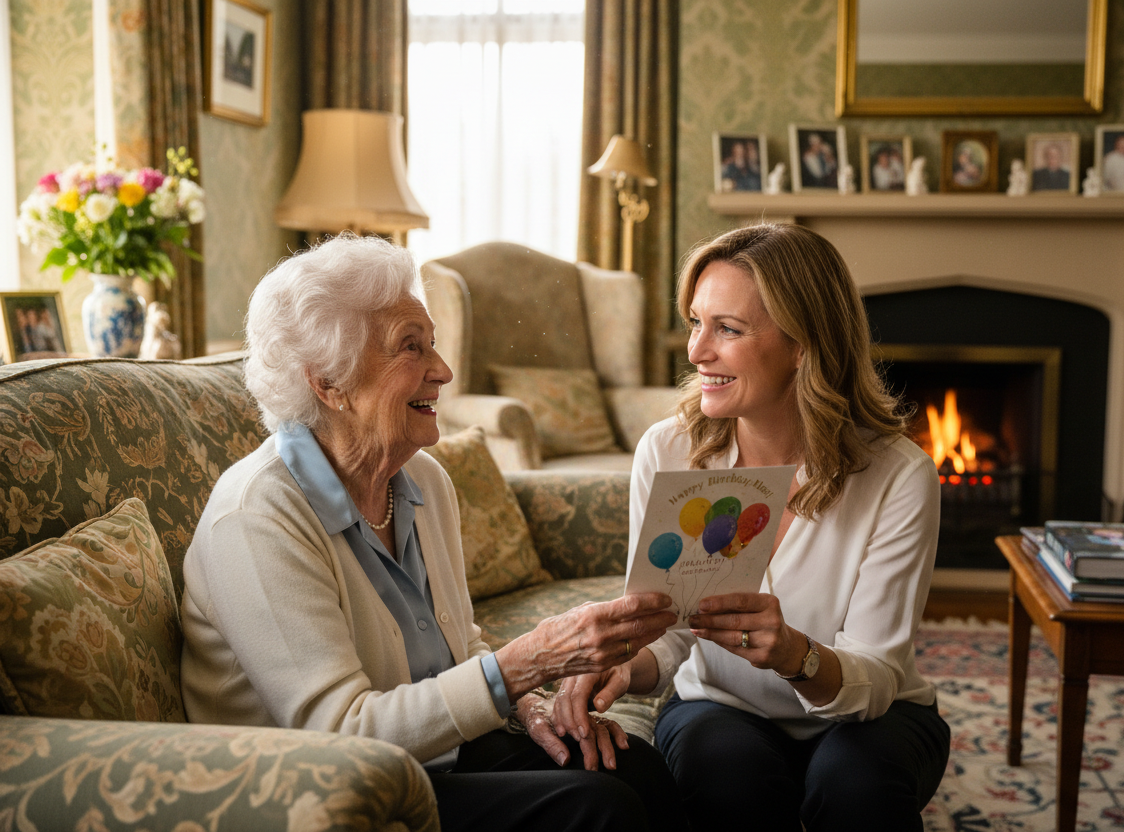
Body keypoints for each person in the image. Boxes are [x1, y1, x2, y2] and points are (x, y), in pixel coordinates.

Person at [179, 234, 685, 832]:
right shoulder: (259, 516)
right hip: (316, 794)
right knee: (599, 810)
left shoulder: (420, 480)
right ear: (328, 383)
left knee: (636, 769)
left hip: (430, 756)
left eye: (433, 344)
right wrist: (524, 664)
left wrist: (531, 708)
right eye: (410, 349)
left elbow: (456, 645)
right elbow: (341, 734)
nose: (442, 371)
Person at [554, 224, 950, 831]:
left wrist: (796, 656)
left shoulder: (898, 476)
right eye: (695, 322)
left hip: (874, 715)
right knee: (725, 777)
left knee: (854, 787)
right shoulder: (670, 453)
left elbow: (876, 677)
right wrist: (625, 665)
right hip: (721, 707)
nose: (695, 352)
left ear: (804, 344)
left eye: (728, 329)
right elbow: (669, 628)